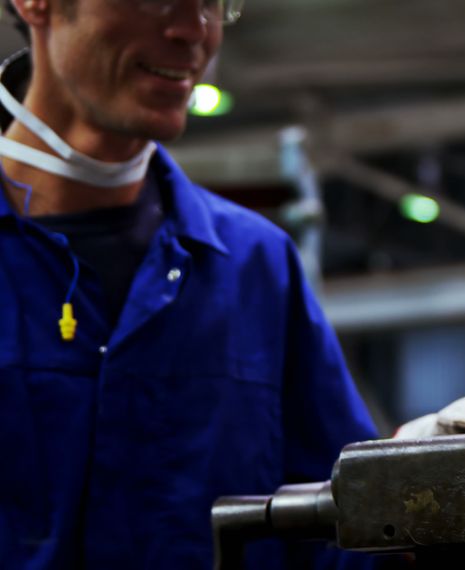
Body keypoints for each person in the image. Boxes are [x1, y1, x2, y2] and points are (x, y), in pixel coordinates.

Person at [0, 0, 379, 568]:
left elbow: (350, 530)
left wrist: (428, 484)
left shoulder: (255, 265)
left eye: (213, 3)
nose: (193, 31)